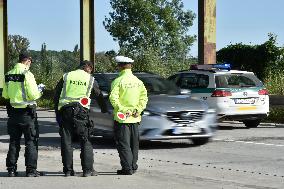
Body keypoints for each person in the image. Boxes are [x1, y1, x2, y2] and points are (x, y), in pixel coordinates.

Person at [53, 60, 107, 177]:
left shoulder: (67, 76)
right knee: (85, 140)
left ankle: (68, 170)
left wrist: (57, 113)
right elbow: (98, 95)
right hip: (81, 112)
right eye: (91, 69)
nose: (91, 72)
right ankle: (87, 170)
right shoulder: (90, 79)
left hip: (65, 111)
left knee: (66, 141)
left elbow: (56, 95)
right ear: (88, 67)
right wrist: (104, 109)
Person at [2, 52, 43, 177]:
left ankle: (11, 169)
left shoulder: (8, 74)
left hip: (13, 113)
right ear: (28, 61)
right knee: (31, 141)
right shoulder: (27, 74)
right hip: (27, 113)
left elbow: (5, 95)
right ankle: (30, 170)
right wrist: (40, 90)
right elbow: (34, 95)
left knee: (14, 141)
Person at [109, 56, 148, 175]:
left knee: (123, 144)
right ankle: (133, 166)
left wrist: (123, 109)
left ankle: (127, 168)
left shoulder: (118, 81)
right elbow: (144, 98)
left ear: (120, 66)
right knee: (134, 144)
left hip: (122, 118)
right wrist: (138, 109)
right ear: (130, 66)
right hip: (135, 117)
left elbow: (113, 98)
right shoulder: (138, 81)